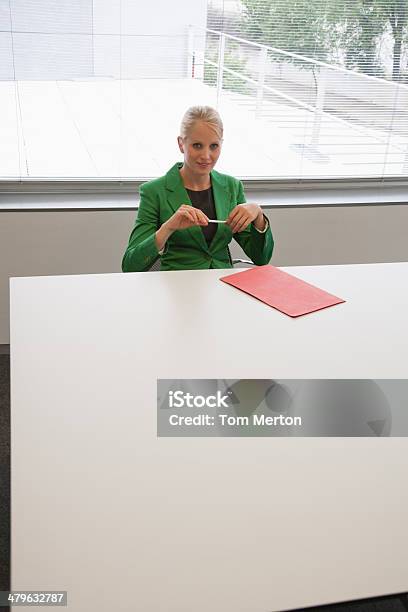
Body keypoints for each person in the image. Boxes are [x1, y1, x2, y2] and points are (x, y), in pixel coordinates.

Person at [122, 105, 273, 272]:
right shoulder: (154, 192)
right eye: (197, 145)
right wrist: (168, 227)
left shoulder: (232, 187)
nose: (206, 156)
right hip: (176, 287)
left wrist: (258, 215)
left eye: (214, 146)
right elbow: (130, 266)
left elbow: (261, 258)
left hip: (221, 284)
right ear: (181, 144)